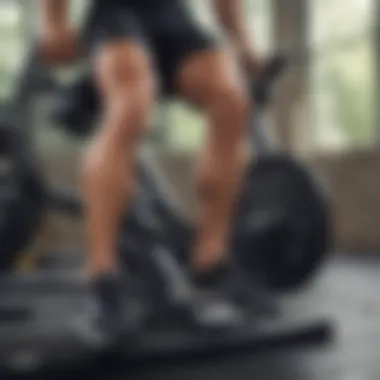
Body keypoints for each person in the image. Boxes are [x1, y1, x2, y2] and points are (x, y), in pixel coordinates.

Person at [38, 0, 263, 341]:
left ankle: (210, 261)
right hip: (117, 15)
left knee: (232, 102)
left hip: (173, 15)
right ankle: (102, 276)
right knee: (131, 106)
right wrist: (54, 21)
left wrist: (241, 40)